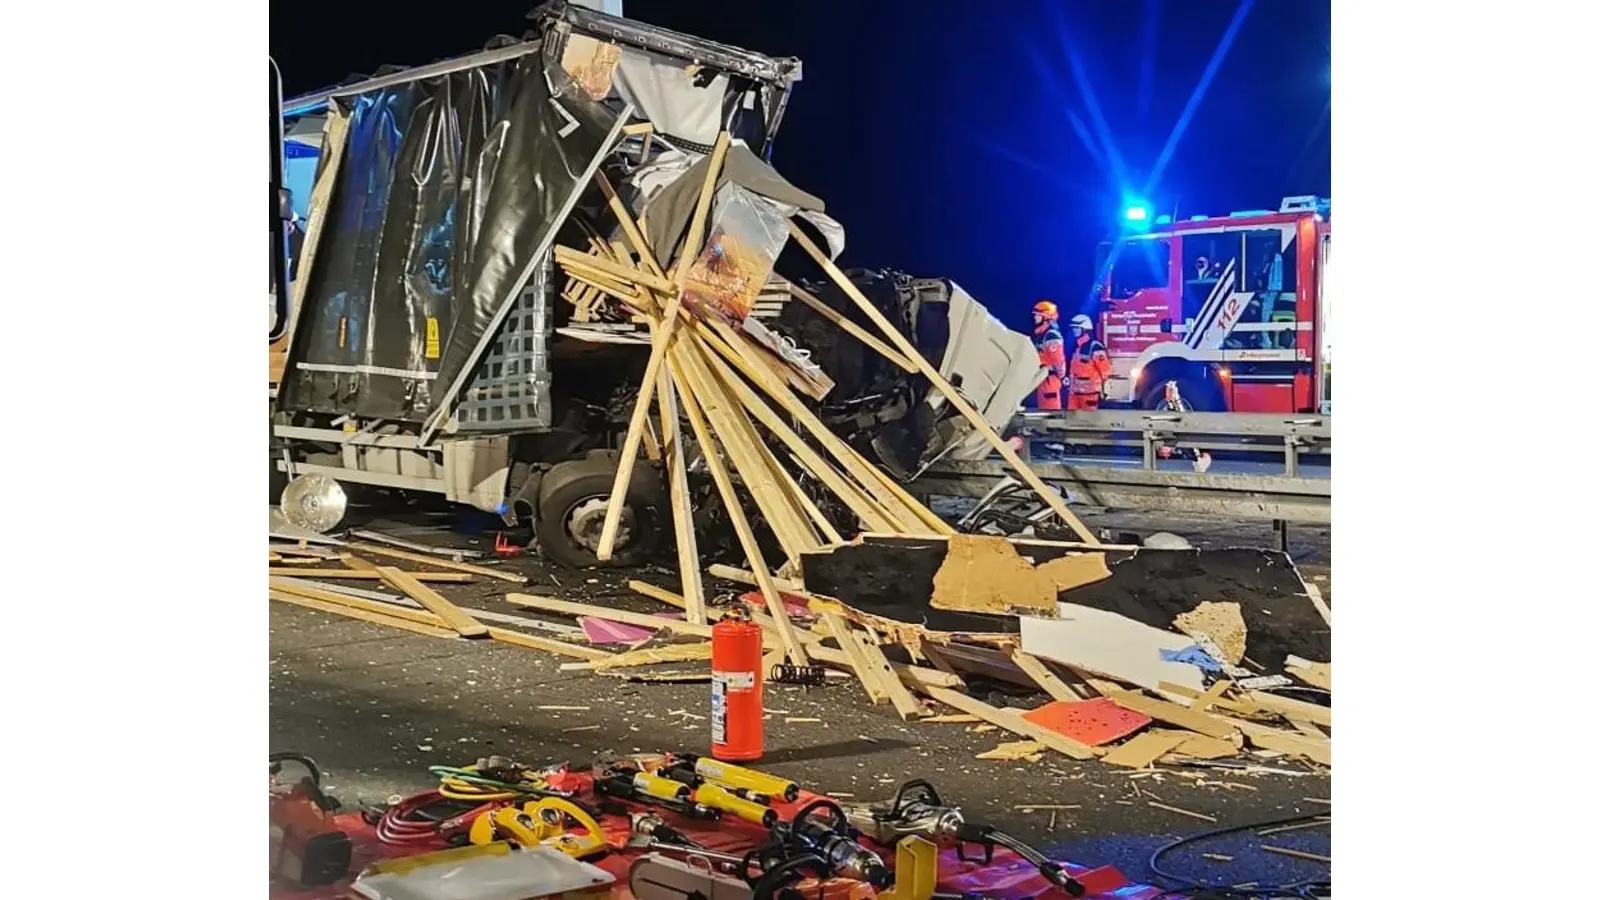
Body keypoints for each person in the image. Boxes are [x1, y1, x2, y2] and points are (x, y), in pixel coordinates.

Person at [1066, 314, 1112, 411]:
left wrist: (1102, 390)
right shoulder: (1076, 347)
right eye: (1073, 328)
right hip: (1074, 394)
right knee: (1072, 423)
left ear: (1085, 329)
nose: (1074, 330)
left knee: (1088, 423)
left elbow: (1105, 371)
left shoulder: (1095, 346)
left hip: (1089, 395)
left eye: (1077, 328)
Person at [1031, 300, 1067, 410]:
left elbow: (1058, 360)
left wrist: (1059, 376)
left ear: (1045, 316)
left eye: (1037, 315)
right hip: (1042, 378)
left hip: (1049, 380)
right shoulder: (1041, 335)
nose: (1034, 317)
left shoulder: (1051, 335)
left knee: (1051, 415)